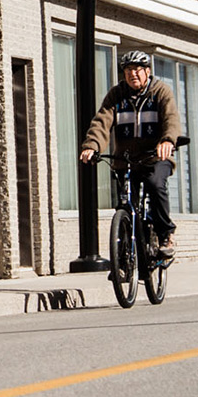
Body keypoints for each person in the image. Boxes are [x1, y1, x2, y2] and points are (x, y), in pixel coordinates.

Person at [78, 51, 184, 256]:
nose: (132, 74)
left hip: (156, 157)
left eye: (137, 70)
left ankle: (165, 235)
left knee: (155, 185)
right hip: (125, 160)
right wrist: (92, 145)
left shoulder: (161, 92)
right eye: (128, 70)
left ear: (147, 72)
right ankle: (126, 257)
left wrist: (167, 141)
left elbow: (171, 119)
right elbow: (102, 121)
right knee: (126, 204)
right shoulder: (117, 95)